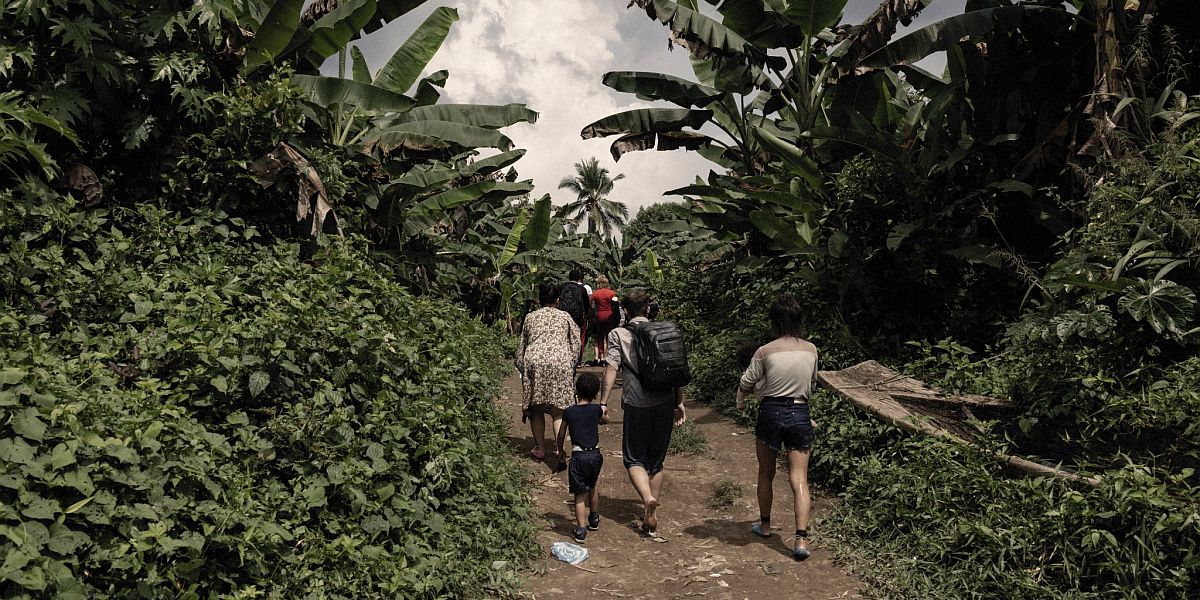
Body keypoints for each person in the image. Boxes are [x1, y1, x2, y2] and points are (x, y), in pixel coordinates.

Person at [735, 293, 819, 560]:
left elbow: (747, 382)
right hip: (799, 411)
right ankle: (801, 540)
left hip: (770, 412)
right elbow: (811, 385)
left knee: (766, 473)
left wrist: (742, 397)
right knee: (799, 479)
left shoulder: (765, 351)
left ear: (774, 322)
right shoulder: (811, 350)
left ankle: (766, 525)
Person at [601, 289, 686, 540]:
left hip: (636, 402)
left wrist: (603, 402)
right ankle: (650, 512)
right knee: (656, 460)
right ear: (648, 309)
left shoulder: (618, 334)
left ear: (625, 311)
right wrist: (679, 402)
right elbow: (674, 369)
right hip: (664, 400)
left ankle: (647, 499)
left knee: (633, 458)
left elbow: (611, 369)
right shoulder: (664, 331)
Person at [516, 283, 581, 463]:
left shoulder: (530, 317)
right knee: (558, 411)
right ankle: (560, 450)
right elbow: (576, 343)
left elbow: (522, 345)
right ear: (557, 300)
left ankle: (540, 448)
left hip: (534, 361)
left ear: (539, 300)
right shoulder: (565, 316)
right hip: (560, 361)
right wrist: (570, 363)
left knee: (536, 408)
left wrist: (522, 367)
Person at [556, 373, 605, 544]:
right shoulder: (596, 409)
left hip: (579, 455)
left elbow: (561, 433)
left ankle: (581, 529)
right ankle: (594, 518)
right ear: (596, 394)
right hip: (595, 455)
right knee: (593, 486)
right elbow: (603, 418)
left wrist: (560, 449)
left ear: (576, 391)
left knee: (579, 494)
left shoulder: (569, 412)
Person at [559, 269, 591, 366]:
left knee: (563, 336)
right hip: (577, 317)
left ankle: (563, 358)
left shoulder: (561, 286)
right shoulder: (582, 289)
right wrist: (586, 315)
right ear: (579, 278)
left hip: (563, 315)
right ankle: (576, 360)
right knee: (576, 337)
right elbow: (586, 305)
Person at [590, 275, 620, 365]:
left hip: (599, 315)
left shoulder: (595, 294)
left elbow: (592, 307)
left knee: (600, 336)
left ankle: (601, 356)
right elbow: (615, 305)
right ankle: (606, 357)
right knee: (607, 337)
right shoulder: (611, 293)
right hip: (609, 315)